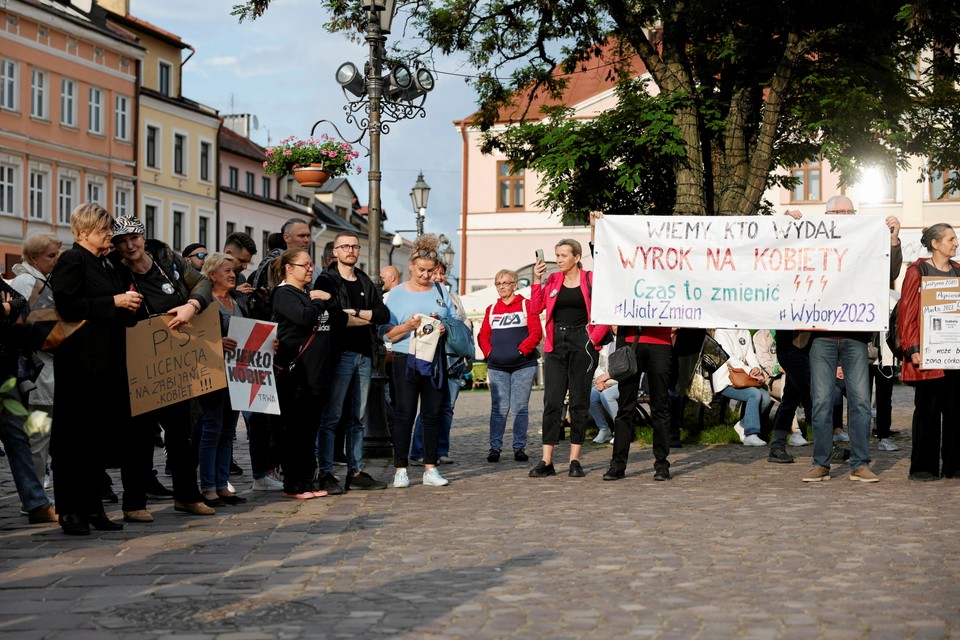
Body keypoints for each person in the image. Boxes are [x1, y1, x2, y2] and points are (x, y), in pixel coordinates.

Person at [109, 216, 215, 521]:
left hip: (177, 360)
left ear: (143, 237)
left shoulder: (167, 259)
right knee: (139, 436)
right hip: (139, 362)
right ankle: (134, 503)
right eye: (121, 241)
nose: (129, 246)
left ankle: (187, 496)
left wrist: (191, 305)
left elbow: (203, 282)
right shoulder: (114, 270)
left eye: (134, 238)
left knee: (183, 432)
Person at [791, 195, 902, 483]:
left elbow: (888, 273)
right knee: (821, 402)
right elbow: (787, 260)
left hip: (855, 336)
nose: (843, 215)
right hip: (820, 337)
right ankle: (821, 463)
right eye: (837, 211)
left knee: (862, 403)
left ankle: (860, 463)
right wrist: (789, 226)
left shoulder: (867, 241)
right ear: (825, 216)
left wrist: (892, 240)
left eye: (848, 211)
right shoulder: (811, 241)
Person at [51, 203, 142, 535]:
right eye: (105, 230)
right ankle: (70, 510)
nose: (110, 235)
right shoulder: (72, 260)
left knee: (96, 441)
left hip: (107, 361)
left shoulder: (107, 263)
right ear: (85, 231)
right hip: (79, 362)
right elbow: (68, 305)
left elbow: (115, 305)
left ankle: (93, 507)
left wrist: (128, 303)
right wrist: (113, 303)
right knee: (73, 439)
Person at [314, 231, 390, 493]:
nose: (351, 250)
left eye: (355, 246)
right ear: (335, 252)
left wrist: (357, 313)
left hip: (364, 355)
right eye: (345, 246)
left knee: (358, 418)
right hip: (339, 354)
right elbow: (332, 316)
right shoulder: (326, 279)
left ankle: (355, 471)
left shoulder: (365, 281)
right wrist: (356, 316)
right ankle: (325, 472)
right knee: (332, 416)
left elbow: (383, 314)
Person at [528, 234, 609, 478]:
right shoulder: (552, 280)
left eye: (563, 256)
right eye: (557, 255)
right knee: (552, 402)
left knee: (578, 402)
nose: (559, 260)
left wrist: (593, 338)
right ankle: (547, 461)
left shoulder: (590, 279)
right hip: (556, 344)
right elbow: (535, 309)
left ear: (576, 257)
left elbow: (604, 311)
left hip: (582, 343)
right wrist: (537, 279)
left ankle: (575, 459)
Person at [381, 234, 453, 488]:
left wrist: (444, 326)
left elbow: (453, 320)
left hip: (434, 358)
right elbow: (387, 333)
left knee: (433, 414)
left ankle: (430, 467)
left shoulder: (441, 289)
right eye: (421, 270)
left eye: (430, 271)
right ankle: (400, 468)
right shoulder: (396, 294)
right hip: (405, 356)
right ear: (410, 265)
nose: (426, 276)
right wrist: (407, 325)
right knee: (404, 414)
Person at [272, 248, 342, 499]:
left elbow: (336, 316)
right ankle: (293, 483)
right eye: (305, 265)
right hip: (296, 373)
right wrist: (318, 300)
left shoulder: (306, 293)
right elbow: (305, 318)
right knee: (295, 430)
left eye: (312, 264)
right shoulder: (283, 294)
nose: (311, 269)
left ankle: (306, 479)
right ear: (289, 268)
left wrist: (323, 299)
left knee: (309, 430)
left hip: (318, 372)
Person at [897, 223, 960, 481]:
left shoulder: (958, 271)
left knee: (957, 412)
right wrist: (912, 349)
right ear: (935, 244)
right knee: (928, 412)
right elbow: (907, 312)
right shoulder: (917, 271)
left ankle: (955, 466)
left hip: (955, 354)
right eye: (951, 239)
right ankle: (924, 467)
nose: (955, 243)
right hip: (927, 355)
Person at [193, 253, 253, 505]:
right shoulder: (204, 303)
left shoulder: (239, 300)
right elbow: (192, 338)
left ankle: (222, 484)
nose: (232, 274)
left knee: (228, 431)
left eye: (233, 270)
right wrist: (216, 344)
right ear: (211, 275)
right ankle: (208, 486)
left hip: (237, 374)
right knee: (212, 428)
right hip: (212, 374)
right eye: (226, 270)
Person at [0, 263, 55, 525]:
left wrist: (9, 309)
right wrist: (5, 310)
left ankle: (36, 503)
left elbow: (19, 302)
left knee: (17, 436)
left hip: (4, 375)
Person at [9, 233, 63, 487]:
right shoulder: (25, 282)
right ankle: (36, 493)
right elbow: (22, 329)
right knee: (37, 436)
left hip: (44, 371)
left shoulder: (40, 281)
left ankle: (38, 490)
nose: (56, 260)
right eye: (51, 255)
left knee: (41, 435)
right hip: (35, 372)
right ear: (33, 257)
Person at [477, 268, 542, 462]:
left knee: (520, 407)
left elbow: (536, 332)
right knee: (499, 408)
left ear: (515, 284)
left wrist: (521, 351)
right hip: (497, 367)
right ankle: (494, 448)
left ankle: (519, 448)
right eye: (498, 283)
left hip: (523, 365)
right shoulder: (492, 309)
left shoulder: (526, 305)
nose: (501, 287)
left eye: (505, 282)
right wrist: (489, 353)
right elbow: (483, 335)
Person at [409, 260, 470, 465]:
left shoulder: (452, 298)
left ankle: (441, 449)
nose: (438, 277)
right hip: (431, 357)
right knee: (429, 406)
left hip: (452, 358)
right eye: (435, 273)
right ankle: (419, 451)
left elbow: (463, 322)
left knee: (447, 407)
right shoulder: (422, 295)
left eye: (441, 273)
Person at [712, 328, 773, 447]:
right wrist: (749, 370)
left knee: (766, 398)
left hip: (742, 378)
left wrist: (756, 368)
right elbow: (729, 358)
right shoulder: (721, 331)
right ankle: (751, 434)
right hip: (725, 380)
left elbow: (750, 354)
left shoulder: (744, 331)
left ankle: (743, 424)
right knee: (754, 394)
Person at [765, 329, 813, 464]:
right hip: (791, 347)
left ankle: (777, 445)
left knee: (790, 399)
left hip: (804, 346)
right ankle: (826, 445)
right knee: (810, 395)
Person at [589, 342, 619, 445]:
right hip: (607, 382)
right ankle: (604, 429)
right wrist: (599, 381)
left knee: (607, 395)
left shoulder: (627, 341)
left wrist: (607, 379)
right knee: (591, 395)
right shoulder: (608, 344)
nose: (615, 326)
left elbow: (626, 368)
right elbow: (601, 367)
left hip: (624, 383)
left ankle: (620, 430)